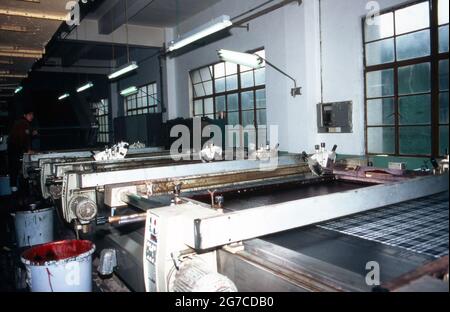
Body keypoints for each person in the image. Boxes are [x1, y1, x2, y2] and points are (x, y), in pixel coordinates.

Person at [7, 110, 37, 193]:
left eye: (32, 115)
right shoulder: (23, 123)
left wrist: (31, 132)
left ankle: (14, 186)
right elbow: (23, 137)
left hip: (13, 147)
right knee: (15, 167)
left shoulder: (21, 123)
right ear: (25, 115)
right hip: (15, 148)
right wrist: (28, 149)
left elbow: (26, 134)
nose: (32, 117)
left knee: (14, 167)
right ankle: (18, 188)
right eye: (30, 115)